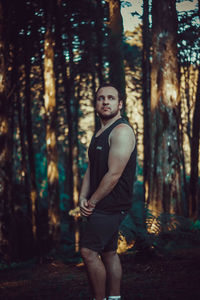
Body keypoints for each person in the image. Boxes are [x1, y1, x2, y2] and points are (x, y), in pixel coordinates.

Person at [79, 83, 137, 300]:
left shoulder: (121, 131)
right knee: (109, 252)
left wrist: (92, 202)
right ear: (96, 103)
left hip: (111, 204)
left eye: (111, 98)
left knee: (88, 252)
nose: (105, 101)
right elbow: (92, 167)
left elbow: (114, 175)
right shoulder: (101, 131)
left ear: (120, 104)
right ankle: (114, 298)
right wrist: (83, 196)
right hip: (101, 202)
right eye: (101, 98)